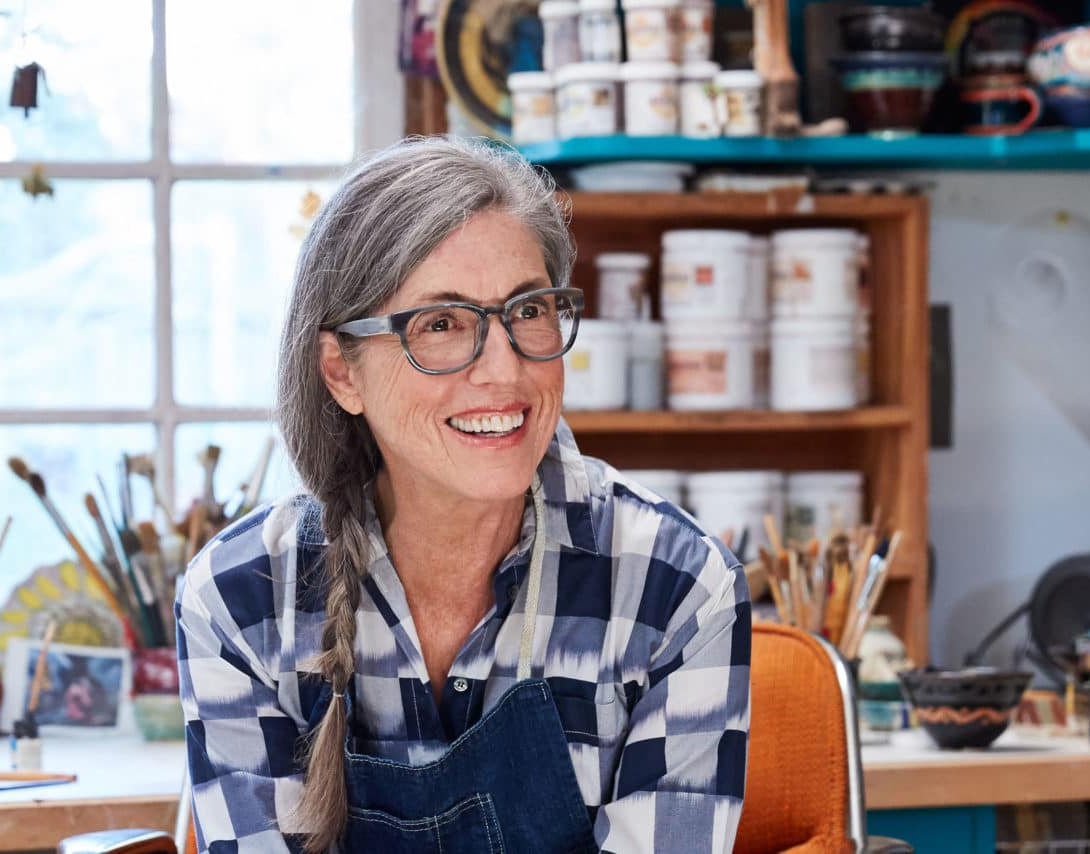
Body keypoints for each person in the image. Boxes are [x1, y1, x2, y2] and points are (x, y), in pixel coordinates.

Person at [176, 136, 751, 854]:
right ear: (340, 373)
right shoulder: (242, 599)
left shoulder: (677, 590)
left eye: (529, 311)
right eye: (441, 325)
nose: (504, 373)